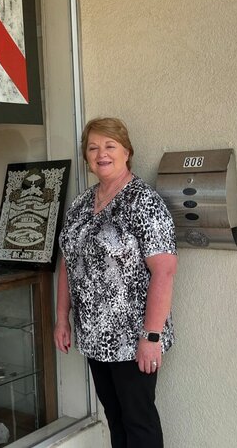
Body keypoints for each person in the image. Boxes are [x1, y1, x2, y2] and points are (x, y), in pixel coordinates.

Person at [54, 117, 177, 448]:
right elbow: (68, 261)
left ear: (127, 152)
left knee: (139, 423)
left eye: (109, 146)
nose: (101, 153)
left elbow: (164, 271)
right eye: (93, 147)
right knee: (115, 418)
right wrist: (61, 318)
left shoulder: (144, 202)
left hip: (133, 337)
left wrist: (151, 336)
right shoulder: (81, 203)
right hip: (95, 336)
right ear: (86, 157)